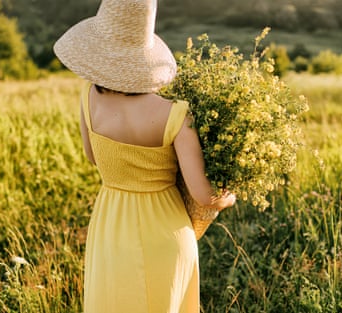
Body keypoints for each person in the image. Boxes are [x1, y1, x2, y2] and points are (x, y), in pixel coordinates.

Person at [54, 0, 236, 312]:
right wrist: (230, 194)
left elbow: (93, 157)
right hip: (165, 233)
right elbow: (204, 196)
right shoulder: (177, 114)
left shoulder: (87, 98)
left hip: (110, 227)